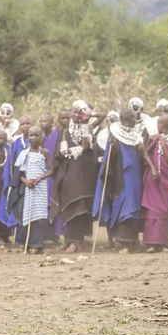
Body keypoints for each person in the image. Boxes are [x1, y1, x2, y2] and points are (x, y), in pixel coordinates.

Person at [51, 100, 102, 253]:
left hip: (85, 171)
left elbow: (86, 146)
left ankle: (79, 241)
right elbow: (61, 152)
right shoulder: (66, 130)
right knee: (70, 204)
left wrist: (88, 117)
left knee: (83, 206)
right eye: (74, 111)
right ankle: (70, 241)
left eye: (79, 112)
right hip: (69, 171)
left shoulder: (89, 127)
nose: (75, 115)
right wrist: (66, 151)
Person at [93, 109, 144, 253]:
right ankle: (123, 242)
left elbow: (140, 155)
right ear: (127, 119)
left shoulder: (136, 136)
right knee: (125, 205)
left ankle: (133, 241)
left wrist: (140, 151)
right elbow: (109, 161)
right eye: (133, 118)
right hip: (122, 177)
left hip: (135, 176)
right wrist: (112, 148)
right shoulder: (114, 137)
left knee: (134, 203)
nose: (135, 120)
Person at [8, 126, 53, 254]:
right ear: (28, 137)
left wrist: (39, 178)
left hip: (40, 188)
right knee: (26, 213)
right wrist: (26, 181)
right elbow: (17, 172)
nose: (33, 138)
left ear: (41, 137)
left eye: (36, 135)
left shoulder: (44, 152)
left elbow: (51, 170)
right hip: (26, 188)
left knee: (38, 216)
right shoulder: (24, 153)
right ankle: (24, 243)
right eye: (31, 135)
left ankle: (37, 244)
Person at [142, 114, 168, 253]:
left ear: (164, 125)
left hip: (167, 179)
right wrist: (152, 168)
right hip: (153, 179)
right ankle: (151, 243)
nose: (157, 126)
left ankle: (162, 243)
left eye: (159, 123)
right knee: (152, 210)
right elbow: (144, 153)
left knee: (164, 210)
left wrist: (164, 146)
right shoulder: (153, 138)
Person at [39, 113, 61, 245]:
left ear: (52, 123)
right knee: (43, 205)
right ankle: (45, 235)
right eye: (40, 121)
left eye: (45, 121)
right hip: (42, 176)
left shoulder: (57, 135)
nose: (42, 123)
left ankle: (55, 235)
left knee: (54, 203)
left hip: (55, 174)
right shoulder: (38, 138)